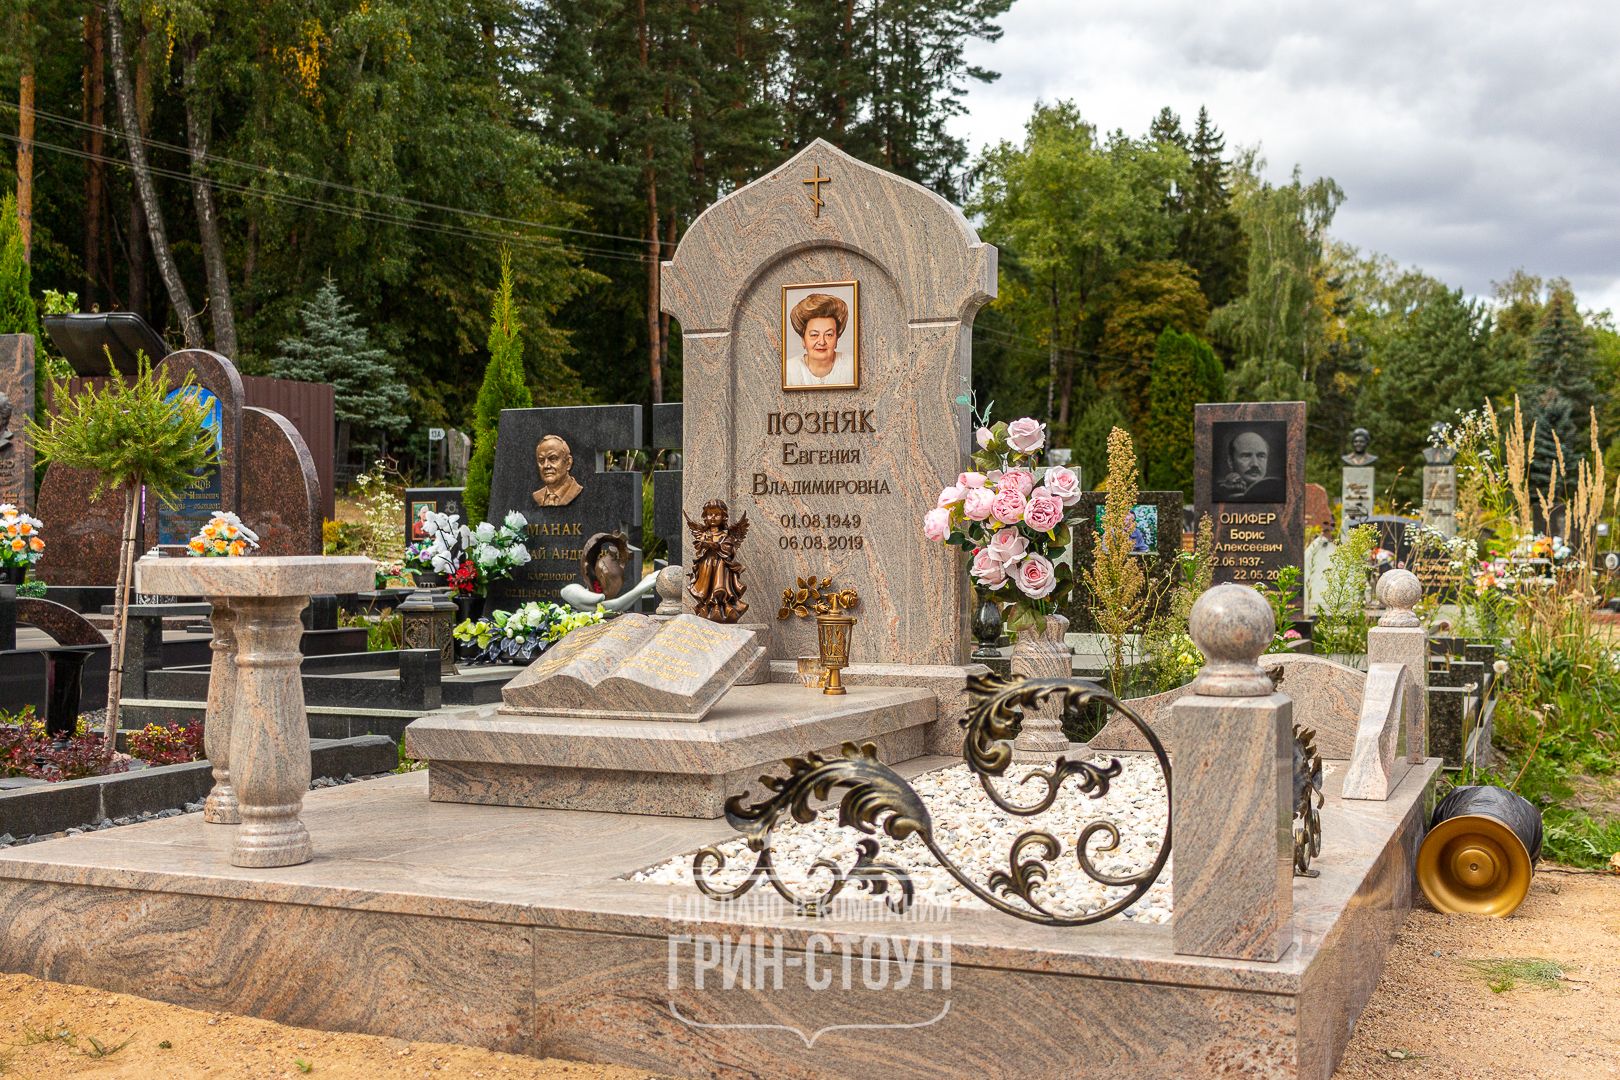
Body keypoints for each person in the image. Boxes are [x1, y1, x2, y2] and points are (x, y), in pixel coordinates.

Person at [784, 292, 855, 387]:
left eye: (829, 334)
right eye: (814, 335)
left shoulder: (853, 366)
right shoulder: (788, 370)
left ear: (837, 339)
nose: (822, 342)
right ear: (803, 340)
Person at [1217, 430, 1285, 502]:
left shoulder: (1280, 492)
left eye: (1261, 456)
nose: (1255, 464)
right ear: (1230, 461)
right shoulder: (1218, 493)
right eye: (1246, 456)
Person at [532, 435, 584, 507]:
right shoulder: (537, 496)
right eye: (541, 461)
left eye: (553, 459)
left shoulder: (576, 491)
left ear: (568, 463)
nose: (546, 466)